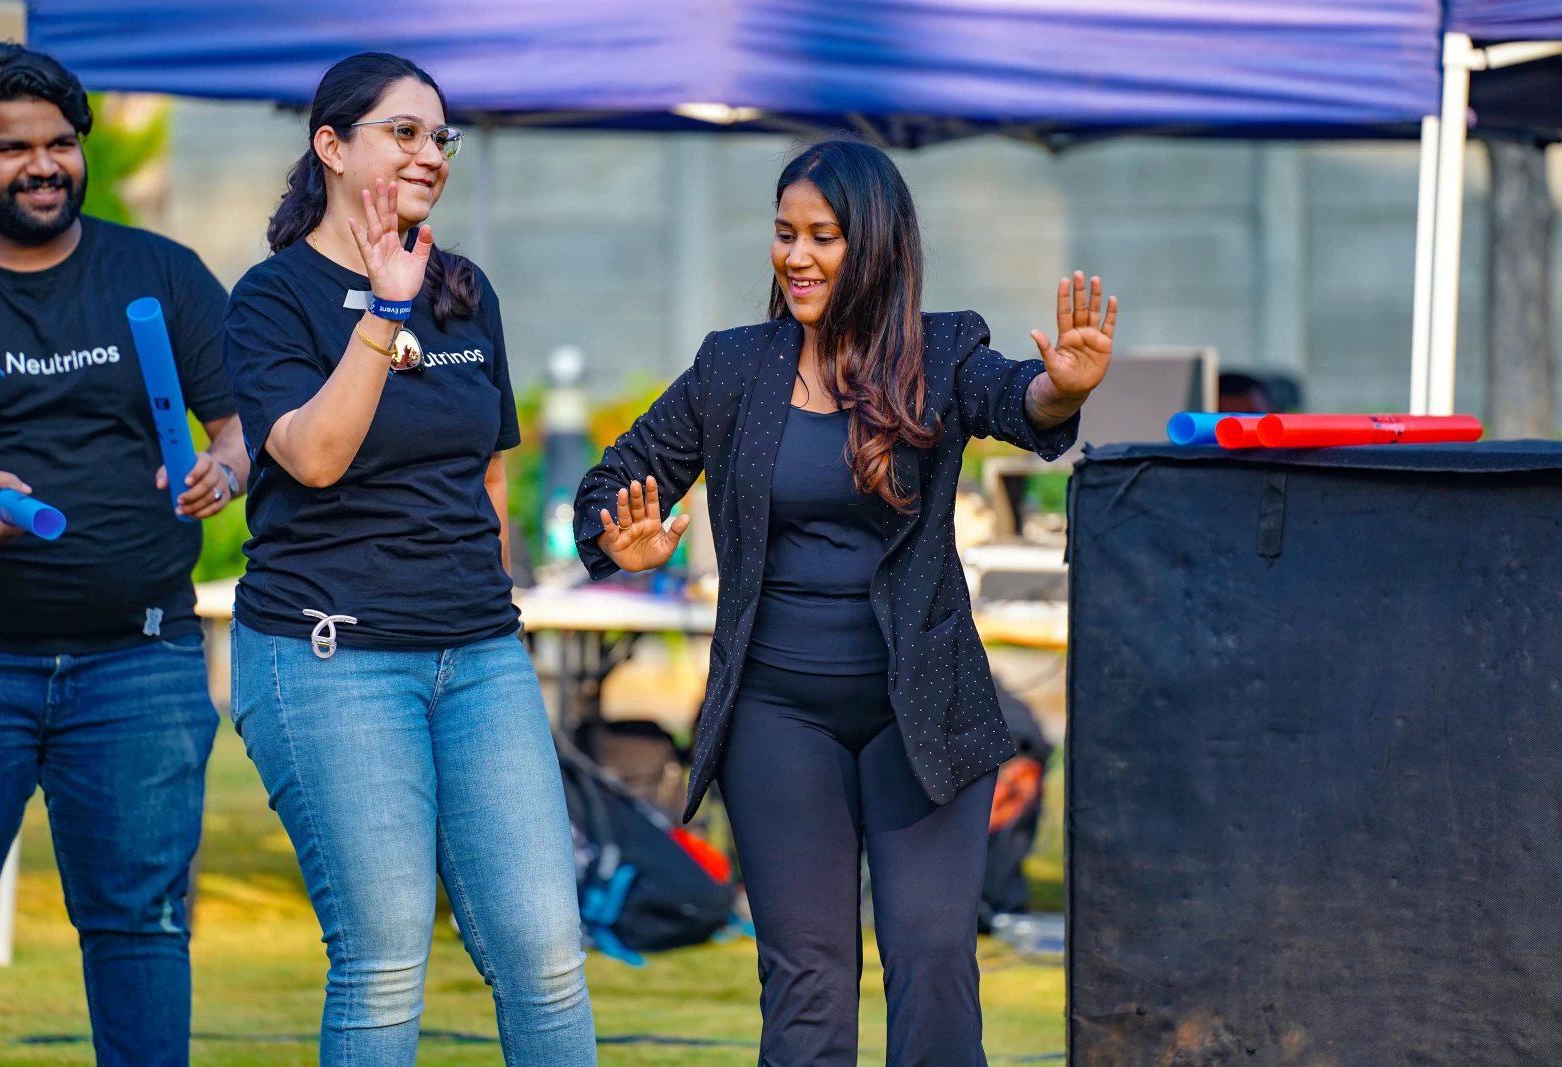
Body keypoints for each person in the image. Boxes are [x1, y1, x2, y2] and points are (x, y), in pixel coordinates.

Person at [573, 139, 1115, 1066]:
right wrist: (613, 534)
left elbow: (1014, 403)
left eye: (823, 236)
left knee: (934, 960)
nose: (797, 257)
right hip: (778, 713)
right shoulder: (733, 366)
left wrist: (1058, 390)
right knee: (809, 977)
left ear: (875, 247)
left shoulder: (942, 351)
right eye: (785, 234)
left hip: (924, 715)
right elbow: (615, 478)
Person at [220, 52, 595, 1066]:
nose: (430, 152)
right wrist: (384, 313)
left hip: (477, 656)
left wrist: (495, 597)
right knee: (384, 957)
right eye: (403, 131)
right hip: (330, 656)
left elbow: (486, 475)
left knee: (548, 952)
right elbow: (313, 455)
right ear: (331, 145)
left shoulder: (467, 291)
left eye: (441, 137)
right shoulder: (273, 298)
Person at [0, 41, 249, 1064]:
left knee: (140, 926)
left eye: (59, 144)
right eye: (12, 148)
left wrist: (225, 470)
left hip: (139, 663)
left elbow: (237, 425)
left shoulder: (157, 272)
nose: (42, 164)